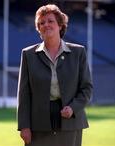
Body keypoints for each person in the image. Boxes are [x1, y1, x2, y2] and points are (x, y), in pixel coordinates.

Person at [17, 4, 93, 146]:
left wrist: (73, 108)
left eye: (50, 21)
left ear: (60, 25)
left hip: (71, 122)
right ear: (38, 29)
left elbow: (86, 88)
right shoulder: (28, 55)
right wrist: (24, 126)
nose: (46, 25)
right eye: (41, 23)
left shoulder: (78, 52)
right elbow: (24, 94)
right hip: (38, 125)